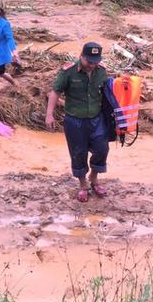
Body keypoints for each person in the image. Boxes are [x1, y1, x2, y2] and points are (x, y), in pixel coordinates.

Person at [45, 42, 118, 203]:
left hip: (96, 119)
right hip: (74, 121)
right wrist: (49, 115)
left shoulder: (101, 72)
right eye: (89, 61)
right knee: (78, 153)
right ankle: (83, 185)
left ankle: (94, 177)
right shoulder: (68, 72)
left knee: (102, 148)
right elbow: (55, 92)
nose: (92, 65)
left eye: (95, 61)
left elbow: (108, 94)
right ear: (81, 57)